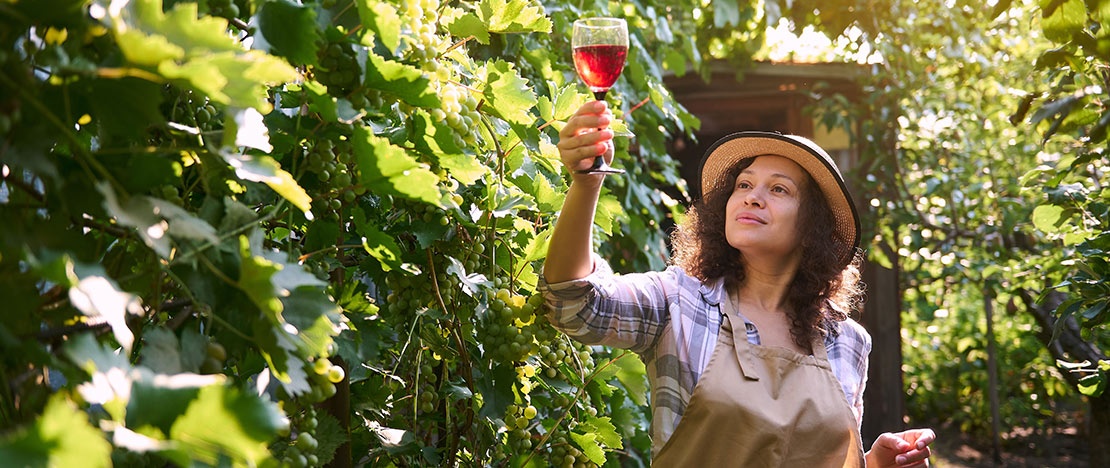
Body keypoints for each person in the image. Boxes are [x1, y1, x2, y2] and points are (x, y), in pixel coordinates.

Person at [540, 100, 936, 467]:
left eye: (778, 189)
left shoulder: (848, 341)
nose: (752, 197)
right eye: (743, 185)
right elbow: (573, 302)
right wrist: (587, 183)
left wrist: (877, 463)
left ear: (812, 227)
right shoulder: (678, 301)